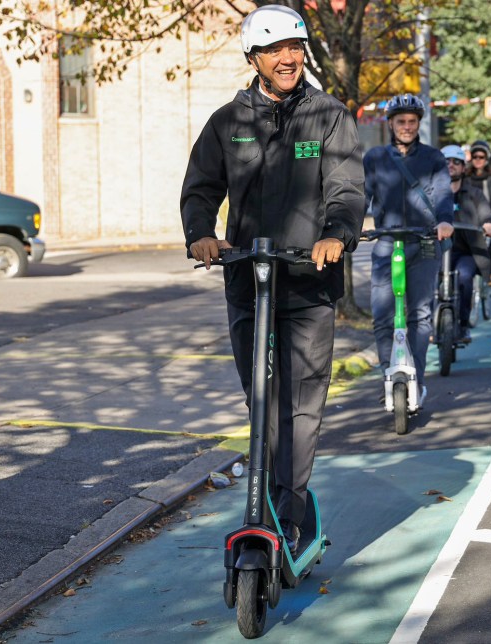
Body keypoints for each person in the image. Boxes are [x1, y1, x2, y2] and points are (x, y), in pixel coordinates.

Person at [180, 5, 364, 554]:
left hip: (308, 281)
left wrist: (336, 233)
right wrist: (201, 233)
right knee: (261, 398)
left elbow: (347, 187)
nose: (288, 57)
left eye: (295, 47)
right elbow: (200, 186)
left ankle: (291, 506)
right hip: (249, 283)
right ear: (254, 57)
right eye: (275, 49)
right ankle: (273, 498)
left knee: (302, 400)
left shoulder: (328, 116)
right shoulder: (228, 122)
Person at [363, 93, 454, 405]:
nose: (406, 126)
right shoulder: (375, 158)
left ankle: (416, 377)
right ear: (390, 123)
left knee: (419, 315)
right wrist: (346, 227)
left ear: (418, 124)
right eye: (400, 121)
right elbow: (361, 195)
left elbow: (443, 193)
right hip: (386, 243)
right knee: (382, 316)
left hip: (424, 242)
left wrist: (444, 221)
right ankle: (391, 374)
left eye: (412, 121)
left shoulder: (433, 158)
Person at [441, 144, 491, 341]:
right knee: (427, 281)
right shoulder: (432, 194)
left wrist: (489, 224)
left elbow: (485, 214)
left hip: (466, 251)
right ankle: (428, 325)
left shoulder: (474, 194)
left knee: (465, 278)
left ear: (464, 167)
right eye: (446, 162)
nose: (451, 165)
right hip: (437, 251)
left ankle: (463, 324)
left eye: (456, 162)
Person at [464, 140, 491, 285]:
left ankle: (490, 271)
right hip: (469, 217)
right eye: (475, 156)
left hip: (488, 217)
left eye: (481, 157)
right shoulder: (466, 177)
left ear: (486, 158)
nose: (478, 160)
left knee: (487, 244)